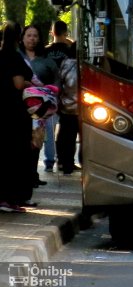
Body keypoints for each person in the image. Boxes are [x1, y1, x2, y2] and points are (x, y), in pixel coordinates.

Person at [0, 22, 34, 212]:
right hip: (14, 114)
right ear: (19, 37)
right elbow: (18, 84)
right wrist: (31, 83)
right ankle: (10, 198)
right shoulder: (13, 58)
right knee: (14, 155)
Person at [20, 25, 59, 188]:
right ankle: (23, 175)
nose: (32, 39)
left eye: (35, 36)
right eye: (29, 35)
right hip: (20, 107)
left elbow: (57, 80)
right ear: (22, 38)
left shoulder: (46, 60)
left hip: (40, 110)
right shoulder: (17, 58)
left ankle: (34, 175)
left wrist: (49, 92)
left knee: (37, 142)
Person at [45, 20, 78, 172]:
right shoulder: (70, 50)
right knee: (68, 131)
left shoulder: (45, 51)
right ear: (65, 32)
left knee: (52, 131)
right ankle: (66, 162)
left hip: (49, 93)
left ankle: (51, 161)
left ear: (52, 32)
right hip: (69, 98)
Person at [56, 43, 79, 175]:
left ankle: (65, 163)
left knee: (66, 136)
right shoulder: (85, 64)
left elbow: (61, 83)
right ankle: (75, 162)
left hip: (66, 106)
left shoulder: (65, 63)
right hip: (86, 107)